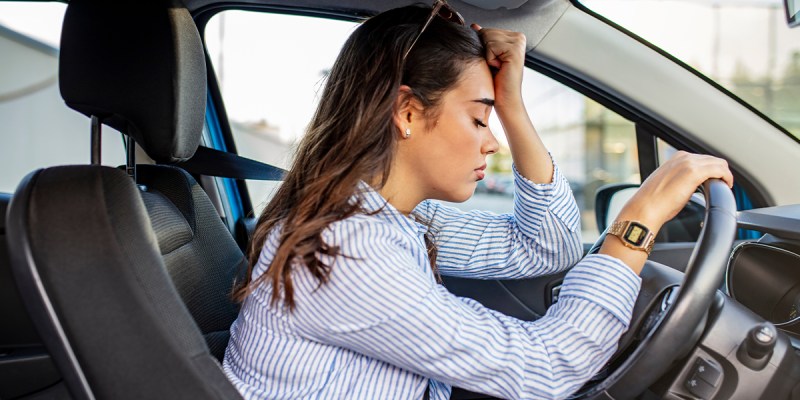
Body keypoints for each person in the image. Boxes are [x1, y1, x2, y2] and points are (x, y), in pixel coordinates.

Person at [222, 2, 733, 399]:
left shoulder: (388, 215)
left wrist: (510, 103)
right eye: (478, 119)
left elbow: (546, 247)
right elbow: (544, 369)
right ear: (406, 111)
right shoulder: (344, 249)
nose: (492, 143)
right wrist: (639, 219)